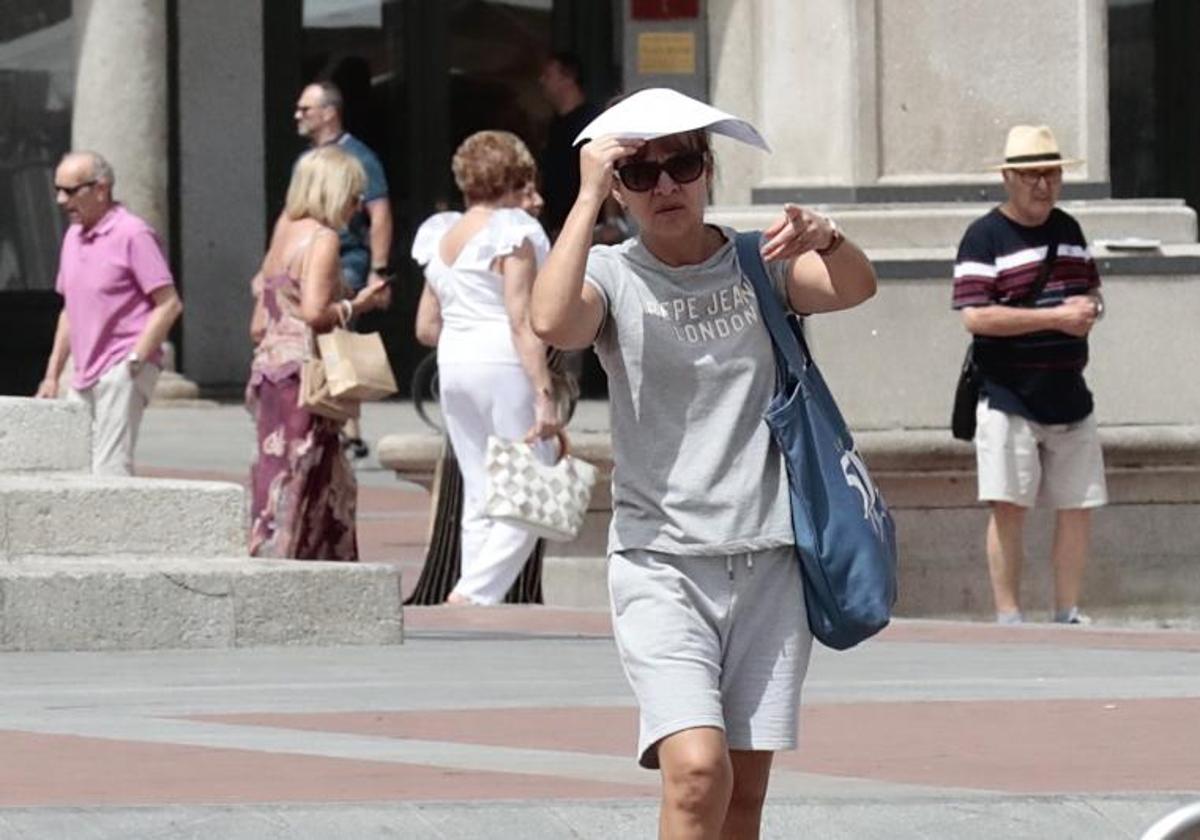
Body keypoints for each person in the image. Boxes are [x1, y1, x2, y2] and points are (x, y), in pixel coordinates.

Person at [529, 88, 878, 838]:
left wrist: (829, 235)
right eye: (639, 172)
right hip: (662, 561)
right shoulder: (614, 275)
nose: (664, 186)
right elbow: (552, 319)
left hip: (771, 561)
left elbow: (854, 287)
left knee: (743, 799)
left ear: (707, 169)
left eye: (681, 164)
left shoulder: (759, 263)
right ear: (619, 185)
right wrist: (587, 196)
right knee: (696, 773)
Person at [952, 124, 1107, 625]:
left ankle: (1068, 610)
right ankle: (1009, 616)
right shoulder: (984, 236)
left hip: (1069, 392)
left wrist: (1090, 309)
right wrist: (1055, 318)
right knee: (1008, 506)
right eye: (1031, 174)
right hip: (1007, 393)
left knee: (1078, 505)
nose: (1043, 184)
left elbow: (1093, 293)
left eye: (1052, 173)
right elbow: (976, 316)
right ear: (1007, 178)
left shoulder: (1069, 230)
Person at [411, 130, 562, 605]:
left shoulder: (442, 233)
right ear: (513, 176)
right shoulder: (512, 229)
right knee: (537, 483)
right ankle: (473, 595)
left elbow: (424, 325)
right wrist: (544, 393)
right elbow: (521, 320)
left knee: (479, 489)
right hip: (502, 357)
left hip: (453, 359)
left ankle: (476, 601)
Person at [247, 145, 391, 560]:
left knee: (276, 473)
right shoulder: (323, 238)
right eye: (353, 193)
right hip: (305, 377)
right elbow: (315, 312)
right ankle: (306, 566)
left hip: (269, 371)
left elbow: (258, 319)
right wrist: (358, 304)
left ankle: (272, 554)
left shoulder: (285, 229)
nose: (358, 205)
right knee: (309, 475)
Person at [35, 151, 183, 476]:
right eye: (58, 189)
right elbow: (69, 311)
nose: (61, 200)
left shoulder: (133, 234)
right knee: (76, 469)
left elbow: (169, 303)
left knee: (109, 471)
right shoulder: (73, 237)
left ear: (101, 189)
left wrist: (134, 361)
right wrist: (52, 375)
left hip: (121, 367)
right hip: (83, 371)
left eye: (71, 191)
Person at [293, 80, 393, 458]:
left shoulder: (358, 157)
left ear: (329, 112)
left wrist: (378, 270)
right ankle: (341, 423)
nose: (298, 116)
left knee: (334, 334)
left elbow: (379, 214)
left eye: (306, 109)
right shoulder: (308, 160)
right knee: (323, 337)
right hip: (307, 258)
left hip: (346, 258)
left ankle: (344, 424)